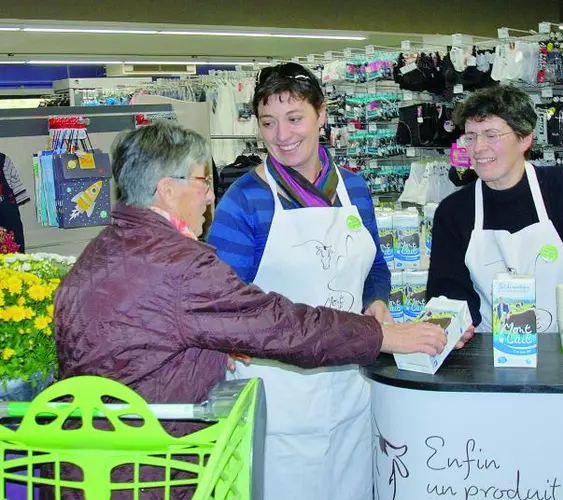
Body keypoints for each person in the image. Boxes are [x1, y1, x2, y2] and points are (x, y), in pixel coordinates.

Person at [55, 121, 457, 428]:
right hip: (152, 465)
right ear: (167, 190)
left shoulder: (102, 249)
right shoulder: (181, 264)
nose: (211, 195)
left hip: (99, 451)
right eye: (202, 181)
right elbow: (281, 325)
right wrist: (383, 335)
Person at [208, 62, 474, 500]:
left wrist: (376, 301)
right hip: (279, 397)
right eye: (268, 122)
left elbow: (374, 265)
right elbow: (222, 300)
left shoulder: (354, 189)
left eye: (294, 119)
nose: (282, 134)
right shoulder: (245, 200)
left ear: (321, 115)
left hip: (351, 386)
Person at [427, 85, 563, 334]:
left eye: (491, 135)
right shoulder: (454, 212)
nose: (478, 148)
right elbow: (448, 290)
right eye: (471, 136)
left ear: (524, 138)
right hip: (489, 355)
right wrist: (460, 329)